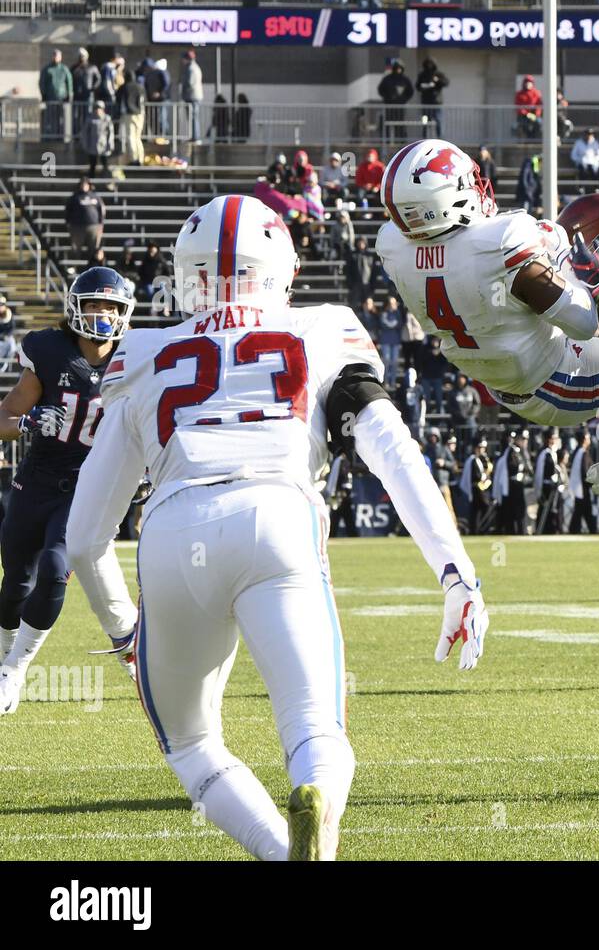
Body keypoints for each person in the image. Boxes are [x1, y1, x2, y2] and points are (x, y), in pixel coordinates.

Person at [63, 194, 486, 861]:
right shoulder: (321, 330)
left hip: (173, 530)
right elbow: (393, 450)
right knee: (315, 729)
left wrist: (124, 630)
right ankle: (313, 796)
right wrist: (455, 571)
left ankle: (278, 852)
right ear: (281, 267)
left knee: (192, 745)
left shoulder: (144, 353)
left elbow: (85, 538)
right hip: (277, 517)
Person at [376, 104, 599, 563]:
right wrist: (574, 264)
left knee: (591, 225)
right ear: (449, 198)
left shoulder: (394, 245)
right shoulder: (501, 242)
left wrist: (560, 247)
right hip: (561, 379)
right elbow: (586, 321)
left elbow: (482, 261)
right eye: (468, 183)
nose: (480, 186)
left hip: (511, 372)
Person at [0, 268, 136, 714]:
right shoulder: (49, 351)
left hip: (85, 485)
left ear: (124, 312)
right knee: (17, 582)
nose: (102, 314)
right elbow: (4, 418)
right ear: (76, 308)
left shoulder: (133, 359)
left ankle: (14, 670)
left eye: (111, 306)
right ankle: (4, 658)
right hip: (36, 480)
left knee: (57, 568)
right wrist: (29, 421)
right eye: (94, 304)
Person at [533, 428, 566, 534]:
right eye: (553, 438)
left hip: (553, 487)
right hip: (546, 488)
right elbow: (539, 474)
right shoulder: (544, 453)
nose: (555, 440)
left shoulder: (553, 453)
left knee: (552, 512)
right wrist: (539, 491)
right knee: (544, 511)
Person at [64, 177, 106, 260]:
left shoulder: (95, 196)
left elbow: (101, 209)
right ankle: (75, 265)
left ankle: (91, 265)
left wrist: (101, 223)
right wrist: (68, 222)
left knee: (93, 247)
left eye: (86, 184)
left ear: (89, 185)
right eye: (82, 184)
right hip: (77, 226)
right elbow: (68, 210)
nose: (84, 186)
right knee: (76, 247)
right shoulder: (75, 197)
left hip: (93, 226)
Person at [39, 49, 72, 142]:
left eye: (57, 56)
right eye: (54, 55)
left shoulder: (64, 69)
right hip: (50, 98)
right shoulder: (47, 69)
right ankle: (50, 137)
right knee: (50, 118)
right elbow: (42, 83)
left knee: (61, 118)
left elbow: (69, 82)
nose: (56, 57)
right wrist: (44, 94)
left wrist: (69, 95)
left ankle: (60, 136)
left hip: (62, 98)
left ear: (60, 57)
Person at [567, 430, 597, 534]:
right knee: (584, 512)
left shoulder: (576, 452)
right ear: (584, 439)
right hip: (583, 489)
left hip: (579, 488)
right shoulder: (583, 453)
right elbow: (585, 472)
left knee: (580, 512)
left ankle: (574, 529)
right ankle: (592, 531)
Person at [378, 59, 414, 141]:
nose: (398, 70)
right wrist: (387, 98)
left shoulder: (405, 80)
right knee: (387, 124)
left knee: (400, 125)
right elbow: (381, 89)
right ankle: (387, 141)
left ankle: (401, 142)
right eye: (397, 68)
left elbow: (410, 91)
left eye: (400, 68)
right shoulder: (387, 79)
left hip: (400, 107)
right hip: (389, 107)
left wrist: (404, 99)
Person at [80, 100, 114, 178]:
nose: (98, 110)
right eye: (96, 108)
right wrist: (85, 144)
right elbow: (85, 133)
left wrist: (110, 144)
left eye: (99, 108)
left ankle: (107, 180)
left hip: (104, 144)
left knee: (105, 164)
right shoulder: (90, 118)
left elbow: (110, 133)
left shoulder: (107, 118)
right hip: (93, 144)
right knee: (92, 164)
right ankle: (91, 181)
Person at [416, 58, 449, 137]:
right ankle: (424, 137)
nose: (429, 66)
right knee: (425, 120)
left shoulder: (438, 74)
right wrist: (424, 86)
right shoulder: (422, 75)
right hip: (425, 103)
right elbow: (417, 86)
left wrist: (437, 80)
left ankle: (440, 137)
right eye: (428, 64)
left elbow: (446, 82)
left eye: (431, 64)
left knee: (438, 120)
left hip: (436, 103)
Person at [120, 68, 145, 166]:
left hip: (129, 114)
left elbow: (121, 100)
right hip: (140, 114)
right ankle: (141, 158)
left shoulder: (125, 87)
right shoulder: (140, 87)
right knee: (138, 137)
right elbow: (144, 101)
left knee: (131, 137)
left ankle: (134, 158)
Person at [179, 50, 204, 143]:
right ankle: (194, 136)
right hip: (194, 96)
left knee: (193, 117)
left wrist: (183, 92)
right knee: (193, 117)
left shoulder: (191, 68)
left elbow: (189, 83)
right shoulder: (194, 67)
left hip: (192, 96)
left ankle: (195, 136)